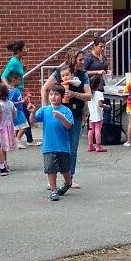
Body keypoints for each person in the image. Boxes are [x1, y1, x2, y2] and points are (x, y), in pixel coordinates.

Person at [45, 48, 91, 179]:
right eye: (80, 59)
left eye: (83, 59)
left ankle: (69, 178)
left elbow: (88, 95)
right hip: (58, 114)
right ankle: (53, 178)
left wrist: (75, 94)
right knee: (56, 146)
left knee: (72, 148)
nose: (83, 62)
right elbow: (45, 89)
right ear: (73, 60)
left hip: (75, 115)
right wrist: (46, 109)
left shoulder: (83, 75)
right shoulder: (60, 72)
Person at [33, 85, 74, 201]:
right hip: (49, 146)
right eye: (51, 94)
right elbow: (33, 120)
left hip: (63, 146)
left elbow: (69, 126)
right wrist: (31, 112)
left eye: (56, 94)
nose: (53, 97)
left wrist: (61, 117)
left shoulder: (66, 110)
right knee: (51, 169)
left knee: (65, 170)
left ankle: (68, 183)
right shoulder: (45, 109)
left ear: (61, 96)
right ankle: (53, 190)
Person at [0, 82, 19, 172]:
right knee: (4, 147)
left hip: (1, 127)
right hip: (9, 126)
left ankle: (0, 163)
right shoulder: (10, 103)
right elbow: (14, 116)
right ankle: (5, 162)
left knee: (0, 146)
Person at [86, 75, 107, 153]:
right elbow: (100, 104)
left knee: (91, 130)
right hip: (98, 115)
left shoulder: (89, 93)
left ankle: (90, 145)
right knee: (98, 130)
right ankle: (98, 146)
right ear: (98, 84)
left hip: (91, 115)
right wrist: (106, 106)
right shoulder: (99, 94)